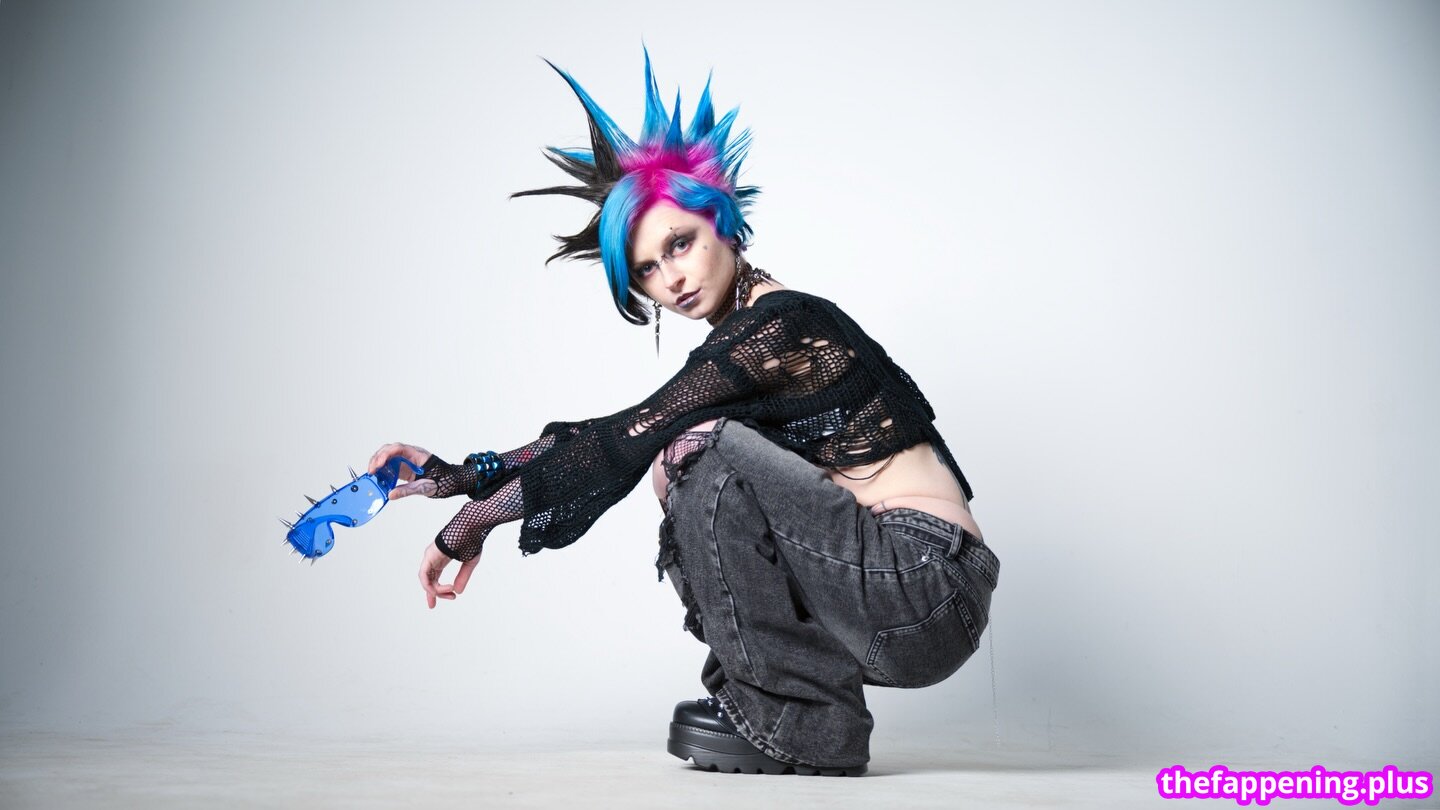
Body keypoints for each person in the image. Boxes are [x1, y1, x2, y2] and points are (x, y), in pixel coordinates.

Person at [366, 49, 1000, 776]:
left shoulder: (782, 324)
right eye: (647, 268)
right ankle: (797, 706)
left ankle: (799, 717)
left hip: (922, 587)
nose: (671, 277)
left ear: (721, 222)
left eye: (680, 244)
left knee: (696, 448)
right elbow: (619, 436)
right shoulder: (739, 344)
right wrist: (461, 474)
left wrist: (474, 517)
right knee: (680, 458)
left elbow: (627, 438)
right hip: (876, 603)